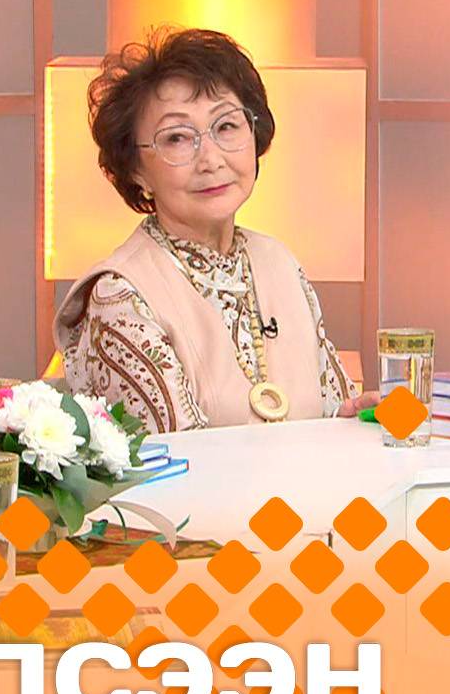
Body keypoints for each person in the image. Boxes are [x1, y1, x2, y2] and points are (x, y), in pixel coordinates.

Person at [54, 28, 375, 430]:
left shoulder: (278, 262)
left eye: (226, 127)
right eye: (177, 138)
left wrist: (353, 420)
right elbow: (171, 459)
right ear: (136, 170)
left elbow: (329, 413)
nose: (210, 159)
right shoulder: (120, 295)